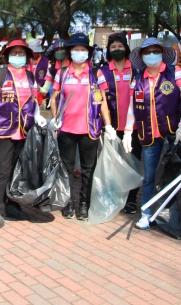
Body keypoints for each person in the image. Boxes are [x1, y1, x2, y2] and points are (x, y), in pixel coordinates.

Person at [122, 37, 181, 230]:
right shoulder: (138, 78)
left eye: (155, 51)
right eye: (147, 52)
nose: (151, 55)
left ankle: (176, 214)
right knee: (149, 176)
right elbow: (132, 106)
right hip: (148, 134)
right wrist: (128, 131)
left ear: (162, 53)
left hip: (172, 133)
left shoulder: (175, 72)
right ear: (141, 56)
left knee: (174, 174)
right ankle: (146, 213)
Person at [0, 39, 47, 233]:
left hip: (24, 130)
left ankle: (12, 205)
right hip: (4, 131)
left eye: (21, 53)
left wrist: (38, 116)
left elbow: (33, 101)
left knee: (17, 171)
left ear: (26, 56)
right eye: (14, 53)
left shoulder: (30, 76)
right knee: (2, 172)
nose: (18, 56)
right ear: (7, 55)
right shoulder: (0, 75)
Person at [50, 33, 113, 221]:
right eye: (76, 49)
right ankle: (68, 202)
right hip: (66, 129)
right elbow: (54, 98)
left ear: (88, 52)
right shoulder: (62, 73)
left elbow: (102, 101)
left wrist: (108, 125)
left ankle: (84, 203)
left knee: (88, 169)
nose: (79, 52)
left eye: (83, 49)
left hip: (89, 129)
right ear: (70, 52)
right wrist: (55, 119)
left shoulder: (96, 74)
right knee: (66, 168)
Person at [96, 32, 140, 213]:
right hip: (112, 127)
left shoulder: (136, 70)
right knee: (114, 165)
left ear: (126, 48)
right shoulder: (103, 71)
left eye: (120, 46)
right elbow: (100, 99)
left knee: (133, 164)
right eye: (113, 47)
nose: (116, 49)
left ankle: (131, 199)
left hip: (135, 127)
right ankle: (114, 197)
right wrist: (106, 125)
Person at [27, 39, 51, 104]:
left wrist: (42, 89)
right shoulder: (25, 61)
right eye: (32, 51)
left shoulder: (46, 62)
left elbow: (49, 79)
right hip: (27, 93)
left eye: (36, 51)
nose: (34, 53)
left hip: (42, 94)